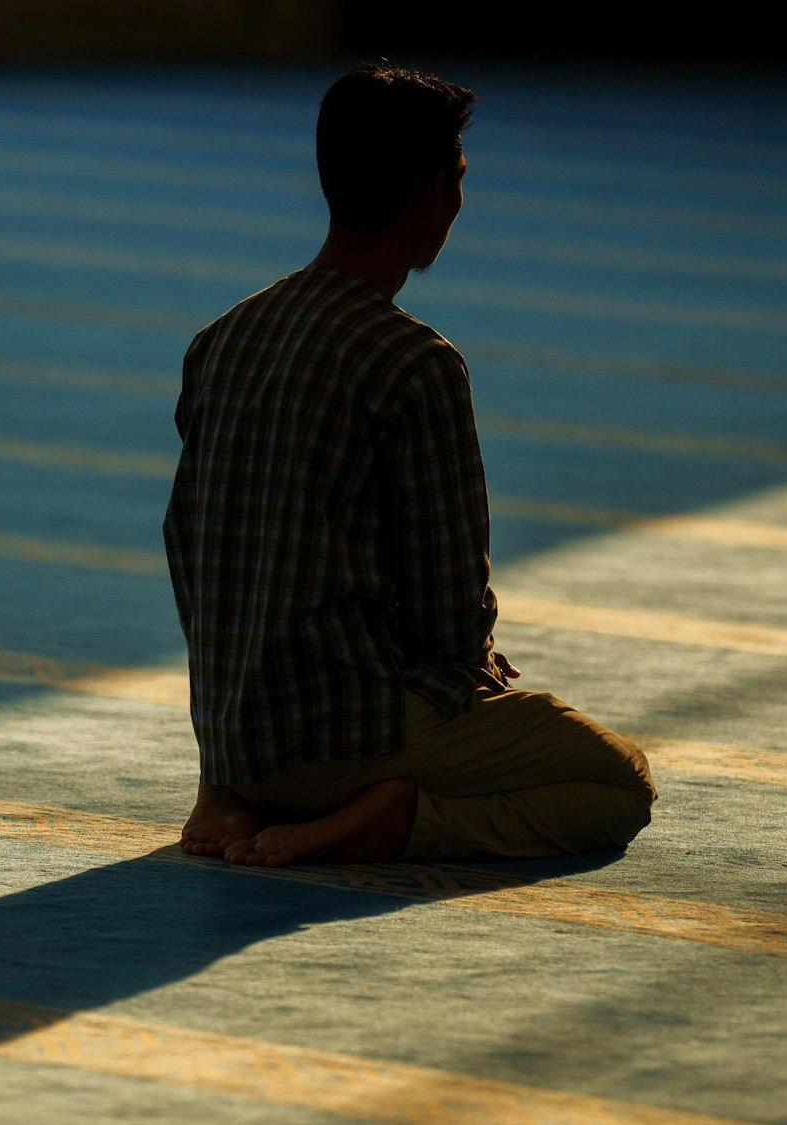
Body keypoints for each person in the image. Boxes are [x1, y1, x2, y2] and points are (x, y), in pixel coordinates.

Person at [164, 65, 656, 868]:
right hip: (351, 735)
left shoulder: (221, 339)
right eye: (458, 180)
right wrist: (474, 669)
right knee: (618, 783)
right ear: (433, 194)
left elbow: (194, 547)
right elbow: (448, 608)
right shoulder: (415, 362)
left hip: (235, 734)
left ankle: (236, 791)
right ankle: (388, 820)